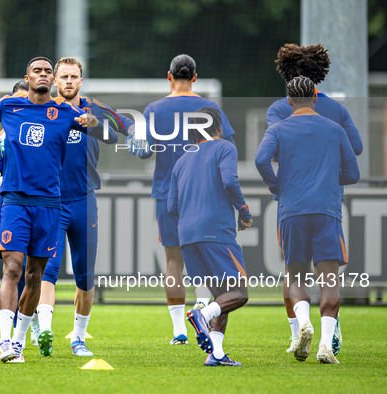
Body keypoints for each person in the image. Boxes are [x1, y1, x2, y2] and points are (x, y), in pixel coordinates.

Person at [0, 57, 99, 364]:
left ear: (53, 80)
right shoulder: (9, 106)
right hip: (15, 200)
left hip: (49, 205)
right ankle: (5, 341)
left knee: (35, 275)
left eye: (48, 71)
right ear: (28, 77)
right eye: (38, 71)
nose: (44, 75)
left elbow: (94, 125)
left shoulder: (65, 112)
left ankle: (19, 342)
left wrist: (92, 122)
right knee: (13, 269)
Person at [127, 54, 236, 345]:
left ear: (169, 76)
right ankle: (204, 308)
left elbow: (144, 151)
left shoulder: (154, 109)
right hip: (205, 195)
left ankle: (178, 330)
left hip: (167, 192)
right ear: (195, 78)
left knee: (174, 261)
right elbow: (227, 144)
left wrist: (135, 144)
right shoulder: (209, 107)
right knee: (209, 259)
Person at [30, 57, 132, 357]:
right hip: (52, 203)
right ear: (55, 81)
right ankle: (46, 328)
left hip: (85, 200)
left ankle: (78, 338)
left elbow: (117, 132)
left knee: (85, 276)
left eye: (74, 76)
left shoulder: (92, 107)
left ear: (81, 81)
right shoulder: (44, 108)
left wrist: (96, 125)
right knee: (48, 269)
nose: (69, 81)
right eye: (64, 77)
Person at [267, 43, 363, 356]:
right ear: (318, 76)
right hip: (328, 201)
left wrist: (277, 182)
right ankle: (329, 335)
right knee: (328, 273)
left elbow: (277, 147)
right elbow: (357, 149)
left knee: (294, 271)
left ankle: (297, 334)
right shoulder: (336, 111)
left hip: (292, 201)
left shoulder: (280, 110)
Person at [169, 106, 252, 367]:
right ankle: (201, 315)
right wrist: (244, 209)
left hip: (187, 235)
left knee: (221, 295)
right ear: (217, 127)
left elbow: (172, 206)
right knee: (239, 292)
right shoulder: (224, 147)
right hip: (215, 231)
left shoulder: (182, 160)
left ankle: (216, 354)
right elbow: (229, 181)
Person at [0, 80, 29, 330]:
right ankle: (13, 324)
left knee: (37, 269)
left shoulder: (47, 127)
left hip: (44, 206)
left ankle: (32, 318)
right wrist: (7, 181)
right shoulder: (1, 138)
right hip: (13, 208)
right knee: (14, 266)